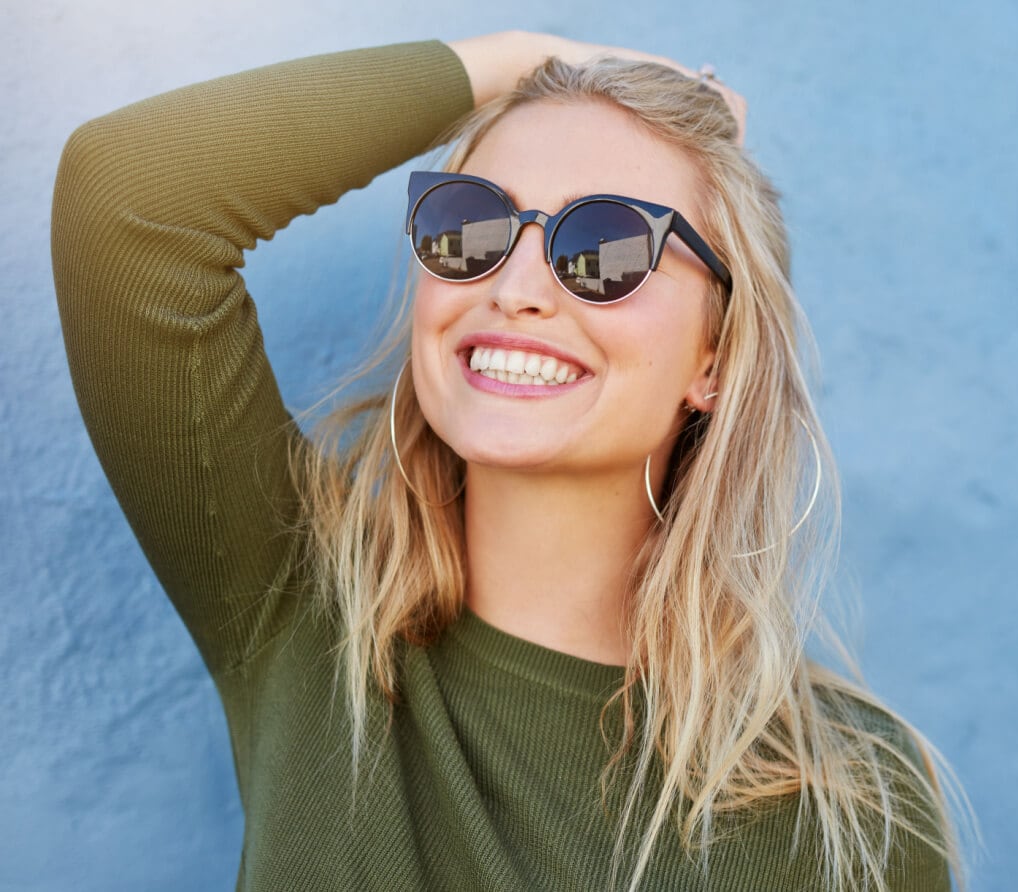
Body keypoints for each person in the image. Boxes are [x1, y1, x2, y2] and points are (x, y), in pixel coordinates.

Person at [53, 30, 965, 891]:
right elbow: (127, 201)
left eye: (606, 246)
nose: (515, 289)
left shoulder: (845, 801)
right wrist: (538, 63)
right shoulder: (306, 611)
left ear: (714, 360)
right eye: (472, 224)